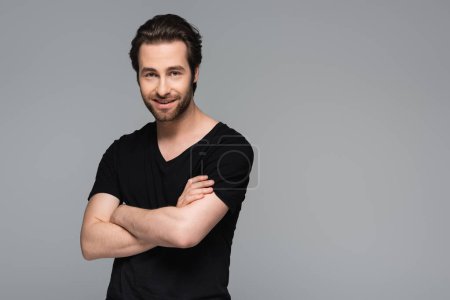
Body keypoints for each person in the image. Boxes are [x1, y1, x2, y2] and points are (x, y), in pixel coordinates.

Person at [80, 14, 254, 300]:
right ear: (138, 76)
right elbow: (90, 242)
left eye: (174, 72)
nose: (162, 89)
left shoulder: (230, 150)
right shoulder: (120, 151)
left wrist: (120, 213)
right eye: (150, 74)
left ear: (195, 72)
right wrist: (170, 216)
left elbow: (184, 234)